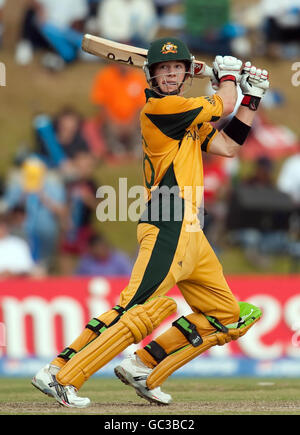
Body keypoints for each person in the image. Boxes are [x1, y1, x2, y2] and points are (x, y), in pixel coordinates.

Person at [32, 37, 269, 408]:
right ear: (152, 75)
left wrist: (250, 100)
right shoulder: (162, 108)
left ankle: (144, 365)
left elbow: (228, 145)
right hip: (167, 220)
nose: (171, 74)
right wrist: (229, 78)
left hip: (192, 230)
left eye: (177, 68)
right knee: (133, 307)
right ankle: (60, 372)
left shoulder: (188, 114)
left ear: (186, 73)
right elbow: (222, 103)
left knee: (227, 315)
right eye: (163, 69)